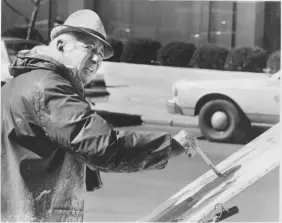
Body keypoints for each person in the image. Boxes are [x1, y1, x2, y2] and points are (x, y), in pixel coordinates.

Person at [1, 9, 197, 222]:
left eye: (101, 54)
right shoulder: (48, 88)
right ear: (60, 46)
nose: (96, 59)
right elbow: (102, 147)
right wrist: (170, 146)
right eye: (90, 48)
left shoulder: (24, 83)